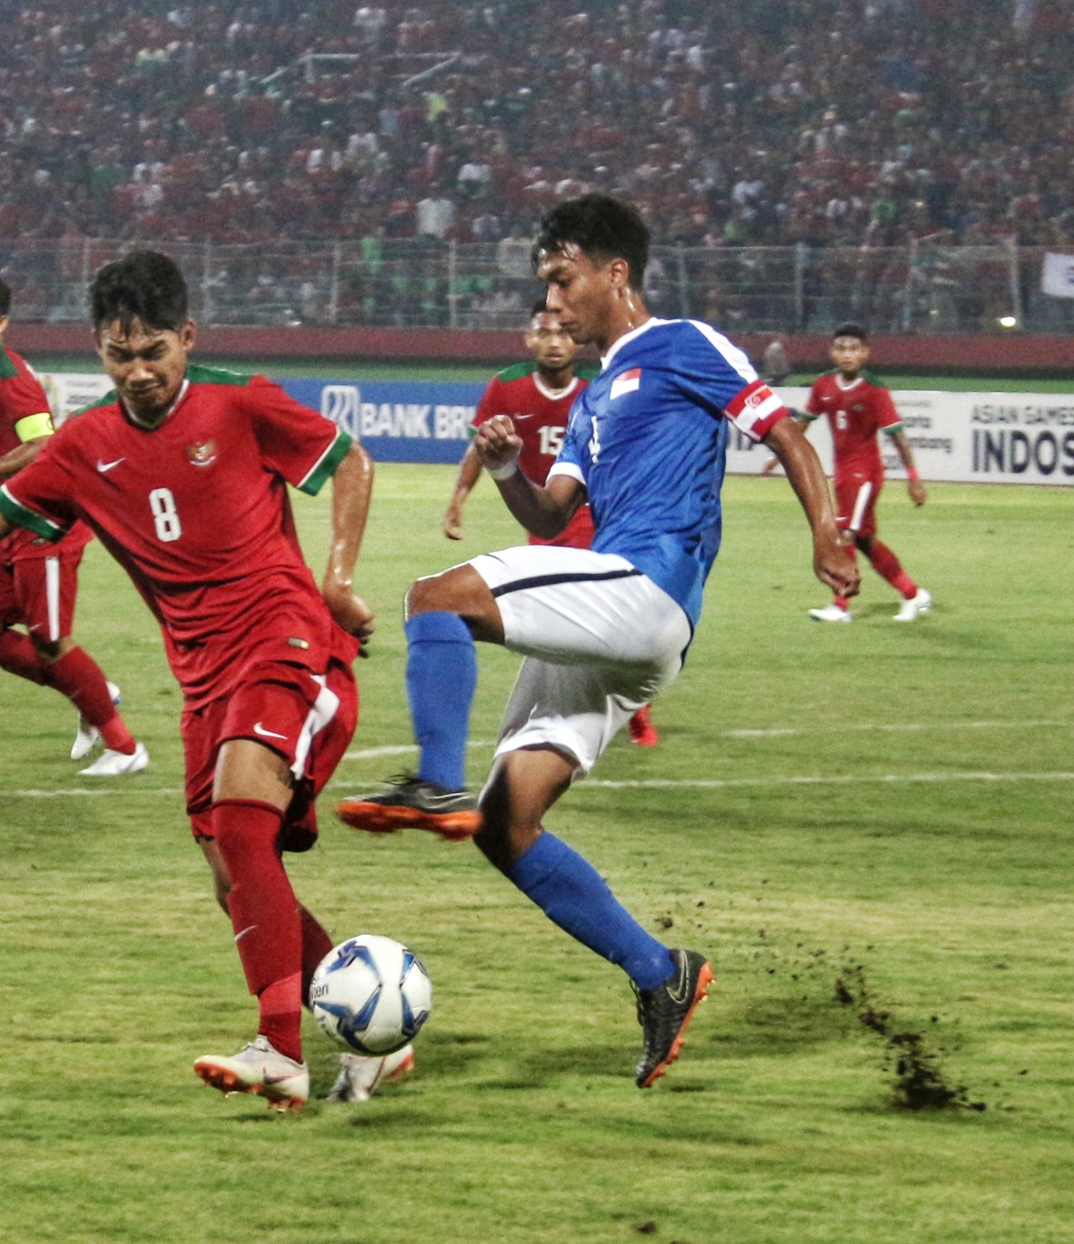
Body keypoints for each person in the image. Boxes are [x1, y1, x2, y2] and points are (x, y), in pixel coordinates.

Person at [0, 250, 382, 1113]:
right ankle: (369, 1027)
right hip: (203, 676)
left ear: (188, 337)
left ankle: (278, 1051)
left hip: (285, 639)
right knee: (230, 868)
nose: (137, 374)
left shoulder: (240, 401)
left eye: (154, 354)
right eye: (118, 355)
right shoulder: (85, 443)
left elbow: (350, 460)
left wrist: (338, 576)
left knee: (245, 821)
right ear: (99, 349)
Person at [338, 195, 858, 1088]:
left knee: (434, 597)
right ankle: (664, 975)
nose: (554, 301)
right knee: (507, 827)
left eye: (564, 279)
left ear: (616, 274)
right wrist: (505, 465)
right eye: (546, 283)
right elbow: (550, 514)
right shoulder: (588, 401)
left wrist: (827, 531)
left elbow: (782, 429)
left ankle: (431, 779)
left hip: (648, 586)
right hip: (617, 617)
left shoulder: (684, 343)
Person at [0, 269, 143, 775]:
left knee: (49, 640)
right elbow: (1, 438)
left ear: (0, 324)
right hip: (8, 519)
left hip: (45, 521)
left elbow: (44, 448)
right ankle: (93, 696)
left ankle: (125, 747)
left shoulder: (11, 378)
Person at [442, 299, 658, 759]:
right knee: (563, 626)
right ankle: (588, 708)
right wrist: (458, 499)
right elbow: (482, 446)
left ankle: (633, 711)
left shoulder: (596, 389)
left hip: (586, 516)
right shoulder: (507, 387)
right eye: (545, 333)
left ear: (575, 340)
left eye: (563, 333)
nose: (554, 342)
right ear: (530, 338)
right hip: (537, 517)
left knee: (584, 617)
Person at [800, 323, 931, 623]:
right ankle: (913, 594)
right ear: (832, 352)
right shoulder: (823, 385)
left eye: (854, 349)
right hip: (843, 475)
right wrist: (778, 454)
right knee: (864, 540)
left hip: (865, 475)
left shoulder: (874, 389)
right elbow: (803, 422)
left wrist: (913, 476)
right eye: (841, 348)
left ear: (865, 353)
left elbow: (897, 435)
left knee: (844, 533)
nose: (847, 354)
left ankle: (840, 605)